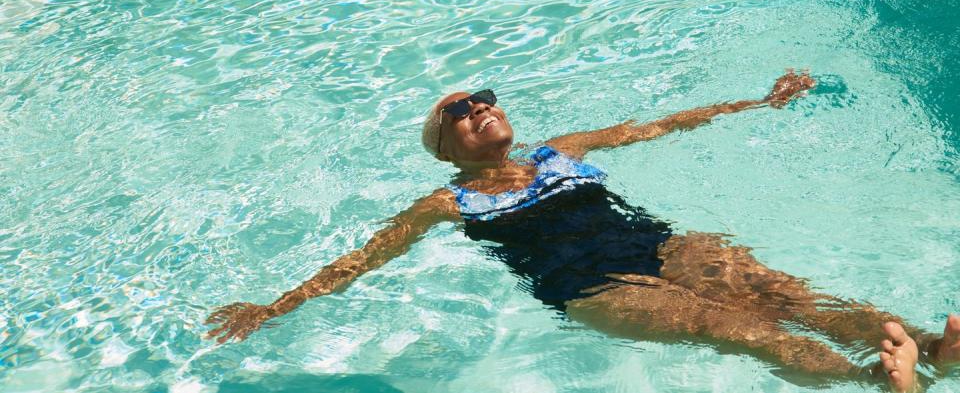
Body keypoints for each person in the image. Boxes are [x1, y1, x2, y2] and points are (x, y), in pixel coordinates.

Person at [206, 71, 960, 392]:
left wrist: (756, 104)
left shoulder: (562, 148)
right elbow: (357, 261)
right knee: (742, 331)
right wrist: (270, 310)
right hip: (593, 284)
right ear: (444, 145)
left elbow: (660, 123)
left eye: (485, 96)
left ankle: (928, 346)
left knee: (791, 297)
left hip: (660, 244)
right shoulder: (443, 202)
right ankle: (871, 382)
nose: (480, 108)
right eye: (460, 110)